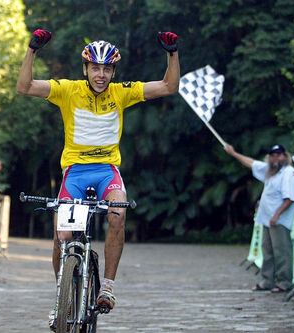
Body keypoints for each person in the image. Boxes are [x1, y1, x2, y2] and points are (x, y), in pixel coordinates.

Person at [16, 29, 180, 320]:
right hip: (75, 172)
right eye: (95, 68)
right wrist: (32, 50)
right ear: (85, 69)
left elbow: (169, 86)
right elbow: (25, 86)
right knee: (62, 234)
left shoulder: (122, 92)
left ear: (113, 71)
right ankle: (61, 294)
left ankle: (107, 287)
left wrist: (172, 53)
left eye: (106, 69)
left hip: (107, 171)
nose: (100, 74)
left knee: (118, 214)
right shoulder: (67, 90)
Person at [224, 143, 294, 292]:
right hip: (267, 219)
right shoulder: (270, 171)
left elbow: (289, 198)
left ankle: (284, 282)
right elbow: (252, 163)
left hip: (279, 220)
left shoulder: (288, 173)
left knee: (281, 251)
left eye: (279, 155)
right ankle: (267, 280)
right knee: (268, 251)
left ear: (285, 157)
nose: (276, 158)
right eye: (273, 155)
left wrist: (277, 214)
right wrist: (234, 154)